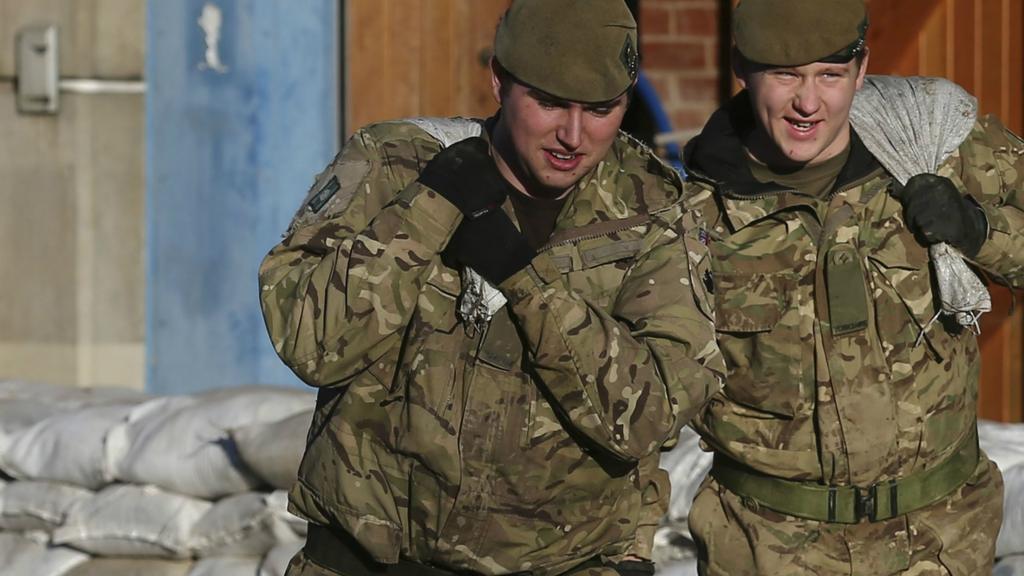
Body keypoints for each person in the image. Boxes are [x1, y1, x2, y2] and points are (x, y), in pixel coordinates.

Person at [258, 1, 725, 574]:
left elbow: (650, 416)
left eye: (601, 110)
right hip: (364, 559)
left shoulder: (650, 217)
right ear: (500, 81)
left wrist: (527, 285)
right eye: (550, 103)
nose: (573, 136)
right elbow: (311, 343)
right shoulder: (393, 166)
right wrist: (429, 209)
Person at [683, 0, 1024, 574]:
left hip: (941, 543)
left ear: (861, 68)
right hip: (767, 550)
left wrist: (980, 230)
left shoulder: (934, 144)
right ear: (741, 66)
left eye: (830, 75)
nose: (808, 103)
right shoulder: (689, 215)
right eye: (785, 74)